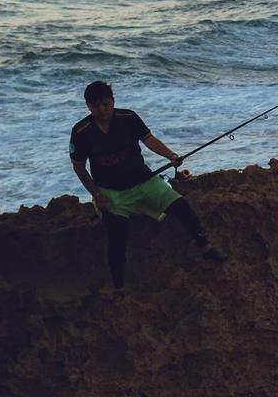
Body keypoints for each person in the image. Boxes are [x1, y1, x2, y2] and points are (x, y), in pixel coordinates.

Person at [67, 79, 225, 291]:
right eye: (96, 105)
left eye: (106, 104)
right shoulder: (81, 131)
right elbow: (79, 166)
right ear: (88, 106)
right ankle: (119, 288)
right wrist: (97, 194)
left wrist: (171, 156)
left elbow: (149, 139)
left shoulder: (128, 118)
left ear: (113, 101)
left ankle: (206, 247)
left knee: (182, 208)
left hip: (144, 180)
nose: (102, 110)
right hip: (112, 193)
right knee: (117, 240)